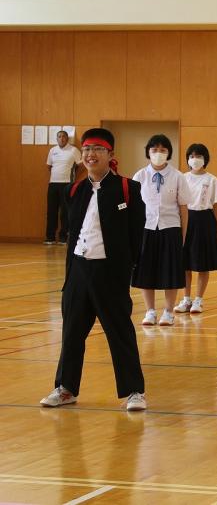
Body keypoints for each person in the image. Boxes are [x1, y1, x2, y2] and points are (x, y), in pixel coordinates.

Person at [40, 127, 147, 411]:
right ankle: (66, 388)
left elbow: (137, 234)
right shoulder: (74, 190)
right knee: (72, 333)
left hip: (110, 273)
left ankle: (134, 391)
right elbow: (73, 232)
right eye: (87, 149)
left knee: (120, 332)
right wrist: (70, 275)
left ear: (110, 154)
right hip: (78, 270)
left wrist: (126, 269)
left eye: (97, 149)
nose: (90, 154)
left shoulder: (127, 188)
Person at [131, 134, 191, 327]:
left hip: (170, 228)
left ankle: (168, 312)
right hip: (146, 228)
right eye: (154, 149)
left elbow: (183, 208)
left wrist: (183, 235)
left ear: (169, 153)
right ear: (148, 152)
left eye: (163, 150)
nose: (158, 153)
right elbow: (134, 208)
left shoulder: (178, 176)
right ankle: (150, 311)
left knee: (170, 271)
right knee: (145, 270)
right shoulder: (140, 176)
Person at [174, 143, 217, 314]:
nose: (195, 159)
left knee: (202, 263)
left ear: (205, 159)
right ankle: (186, 299)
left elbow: (215, 205)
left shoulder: (212, 179)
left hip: (205, 220)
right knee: (185, 262)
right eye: (192, 156)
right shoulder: (182, 177)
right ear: (188, 159)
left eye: (199, 156)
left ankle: (198, 300)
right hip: (186, 219)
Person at [44, 130, 82, 245]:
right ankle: (50, 237)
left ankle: (63, 237)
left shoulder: (73, 150)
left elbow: (80, 165)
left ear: (67, 138)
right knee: (51, 211)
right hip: (53, 184)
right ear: (57, 139)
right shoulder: (52, 150)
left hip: (67, 184)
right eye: (59, 136)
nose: (61, 138)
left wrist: (73, 176)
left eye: (63, 136)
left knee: (65, 212)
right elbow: (49, 166)